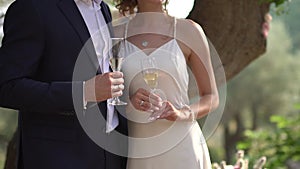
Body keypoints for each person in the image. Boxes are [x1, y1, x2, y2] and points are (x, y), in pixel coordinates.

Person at [0, 0, 127, 168]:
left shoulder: (103, 9)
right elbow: (7, 87)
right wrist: (82, 93)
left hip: (110, 151)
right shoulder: (32, 7)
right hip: (61, 155)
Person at [113, 0, 219, 169]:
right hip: (140, 150)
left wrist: (182, 113)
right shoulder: (116, 33)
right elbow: (107, 94)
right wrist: (128, 103)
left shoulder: (189, 30)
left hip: (183, 147)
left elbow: (211, 97)